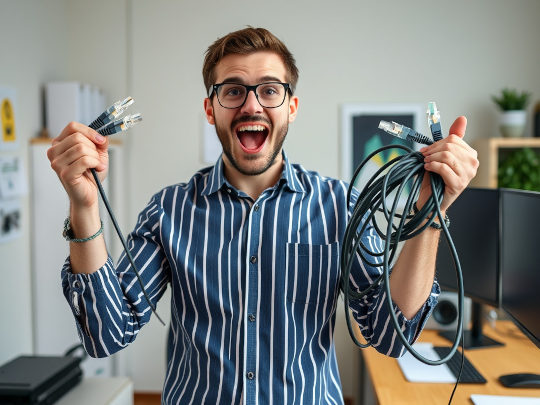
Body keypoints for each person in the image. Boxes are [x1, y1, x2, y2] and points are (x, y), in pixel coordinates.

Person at [47, 27, 479, 404]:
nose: (251, 105)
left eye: (269, 90)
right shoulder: (171, 210)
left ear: (291, 107)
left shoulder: (337, 205)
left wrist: (432, 208)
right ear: (210, 109)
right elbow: (106, 335)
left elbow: (390, 334)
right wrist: (83, 206)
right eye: (233, 90)